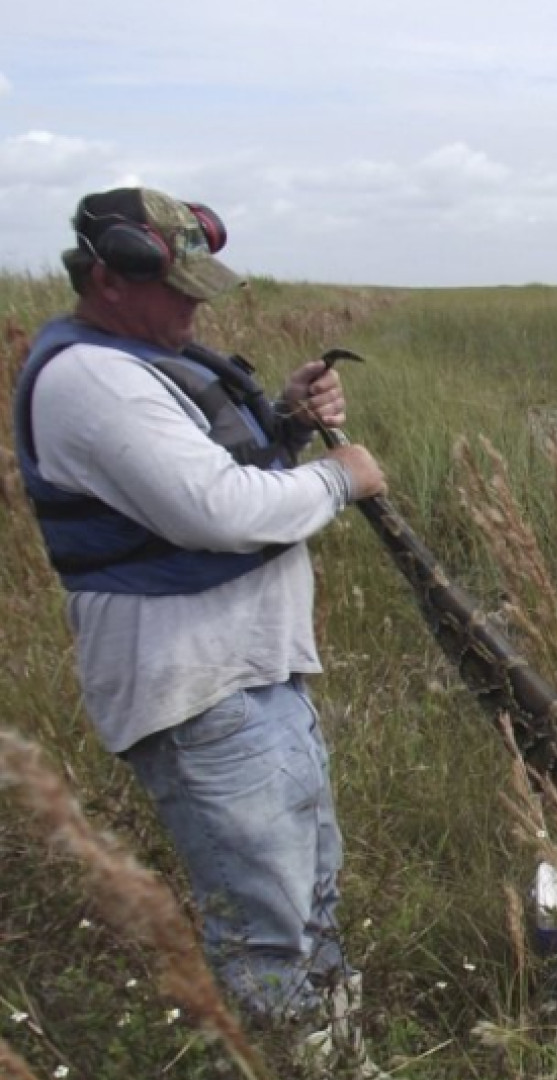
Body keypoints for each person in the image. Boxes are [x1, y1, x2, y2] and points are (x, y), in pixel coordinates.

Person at [12, 188, 386, 1058]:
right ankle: (288, 1059)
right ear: (107, 276)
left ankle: (336, 1053)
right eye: (178, 289)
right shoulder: (89, 379)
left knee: (310, 897)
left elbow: (216, 463)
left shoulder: (141, 357)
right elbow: (213, 509)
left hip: (252, 678)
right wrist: (341, 479)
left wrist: (286, 420)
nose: (196, 305)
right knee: (268, 926)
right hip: (198, 694)